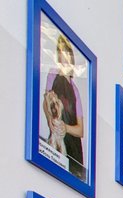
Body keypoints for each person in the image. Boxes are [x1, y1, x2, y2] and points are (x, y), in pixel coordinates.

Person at [44, 33, 85, 180]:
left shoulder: (75, 91)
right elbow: (46, 102)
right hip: (57, 143)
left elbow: (80, 130)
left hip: (73, 148)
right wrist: (49, 119)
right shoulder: (53, 75)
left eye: (67, 54)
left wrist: (65, 127)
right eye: (61, 54)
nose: (64, 59)